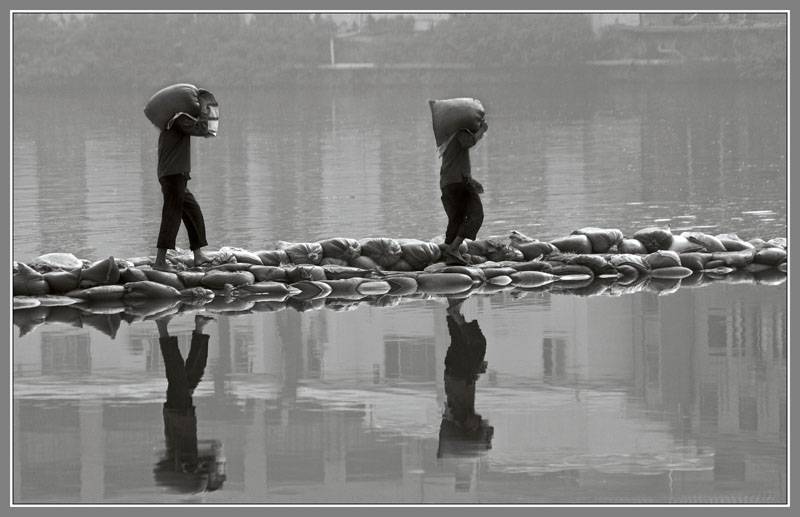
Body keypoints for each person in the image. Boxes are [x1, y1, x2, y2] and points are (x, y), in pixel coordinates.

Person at [153, 313, 226, 494]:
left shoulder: (192, 471)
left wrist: (215, 460)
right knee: (195, 371)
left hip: (177, 412)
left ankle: (162, 326)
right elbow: (212, 451)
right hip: (184, 412)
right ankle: (199, 326)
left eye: (217, 475)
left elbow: (212, 451)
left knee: (175, 369)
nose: (218, 471)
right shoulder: (194, 470)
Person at [153, 91, 216, 272]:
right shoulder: (179, 119)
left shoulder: (172, 120)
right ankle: (160, 262)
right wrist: (206, 108)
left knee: (192, 211)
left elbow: (204, 129)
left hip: (174, 174)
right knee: (172, 215)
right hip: (173, 174)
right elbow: (204, 129)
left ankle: (198, 255)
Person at [437, 297, 493, 463]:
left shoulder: (459, 415)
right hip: (457, 373)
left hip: (459, 373)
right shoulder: (460, 413)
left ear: (468, 427)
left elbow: (460, 390)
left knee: (478, 343)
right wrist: (476, 372)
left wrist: (473, 371)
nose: (480, 421)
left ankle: (455, 313)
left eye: (476, 426)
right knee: (460, 340)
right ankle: (453, 309)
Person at [438, 118, 489, 265]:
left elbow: (455, 164)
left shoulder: (447, 139)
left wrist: (471, 181)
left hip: (447, 183)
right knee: (476, 214)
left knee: (456, 218)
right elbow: (469, 142)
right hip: (459, 182)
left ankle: (448, 251)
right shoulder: (459, 133)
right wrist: (482, 130)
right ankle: (453, 249)